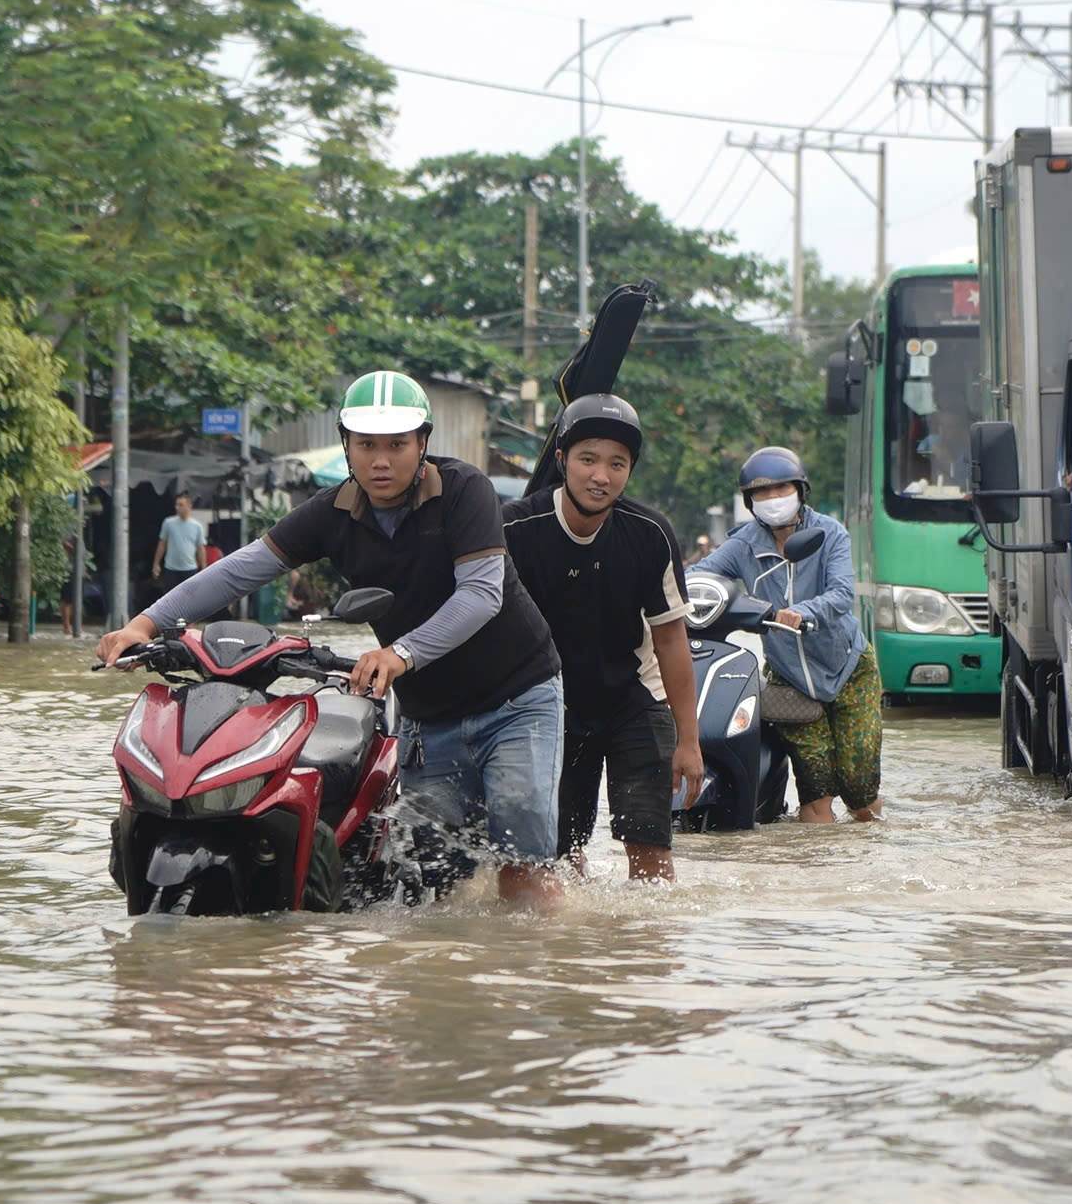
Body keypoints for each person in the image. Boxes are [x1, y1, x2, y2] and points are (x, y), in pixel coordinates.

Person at [97, 370, 566, 909]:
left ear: (423, 443)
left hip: (516, 699)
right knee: (438, 882)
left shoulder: (464, 490)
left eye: (396, 445)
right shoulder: (332, 512)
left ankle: (537, 954)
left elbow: (481, 594)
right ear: (347, 445)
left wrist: (400, 653)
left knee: (521, 861)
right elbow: (241, 570)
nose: (381, 461)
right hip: (429, 714)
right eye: (366, 445)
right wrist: (146, 625)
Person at [502, 395, 704, 882]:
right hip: (546, 702)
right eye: (587, 459)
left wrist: (690, 742)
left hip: (634, 697)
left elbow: (671, 641)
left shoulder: (650, 534)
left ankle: (644, 932)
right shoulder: (515, 528)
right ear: (561, 460)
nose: (601, 476)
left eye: (617, 464)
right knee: (555, 855)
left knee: (650, 847)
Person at [696, 447, 881, 823]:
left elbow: (842, 593)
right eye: (761, 492)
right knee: (815, 789)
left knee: (859, 790)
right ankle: (816, 860)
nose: (772, 498)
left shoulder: (830, 534)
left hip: (847, 669)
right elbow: (698, 574)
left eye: (781, 489)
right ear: (750, 501)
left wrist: (802, 612)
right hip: (790, 679)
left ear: (800, 491)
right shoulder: (744, 545)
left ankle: (869, 850)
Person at [152, 490, 205, 597]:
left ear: (189, 506)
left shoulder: (197, 526)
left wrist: (203, 568)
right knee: (170, 598)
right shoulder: (168, 523)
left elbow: (200, 548)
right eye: (176, 505)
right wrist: (156, 564)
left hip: (190, 569)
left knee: (190, 599)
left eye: (181, 505)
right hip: (171, 568)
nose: (177, 508)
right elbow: (162, 544)